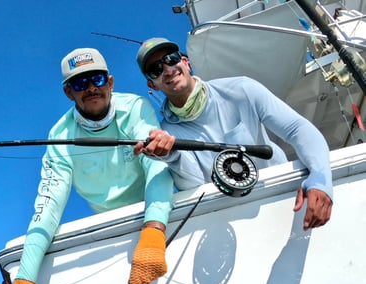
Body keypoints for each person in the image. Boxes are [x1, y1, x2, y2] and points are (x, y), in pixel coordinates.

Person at [2, 47, 174, 284]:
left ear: (111, 82)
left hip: (160, 219)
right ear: (68, 92)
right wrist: (25, 277)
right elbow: (48, 206)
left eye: (96, 78)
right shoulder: (59, 137)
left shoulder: (135, 108)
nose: (91, 88)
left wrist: (154, 230)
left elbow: (156, 166)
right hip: (113, 233)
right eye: (80, 83)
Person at [134, 37, 333, 231]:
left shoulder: (242, 88)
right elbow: (194, 186)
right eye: (156, 69)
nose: (168, 70)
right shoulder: (167, 134)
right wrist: (171, 156)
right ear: (152, 84)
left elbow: (296, 128)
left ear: (185, 61)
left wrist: (320, 179)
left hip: (287, 199)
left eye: (171, 58)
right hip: (231, 221)